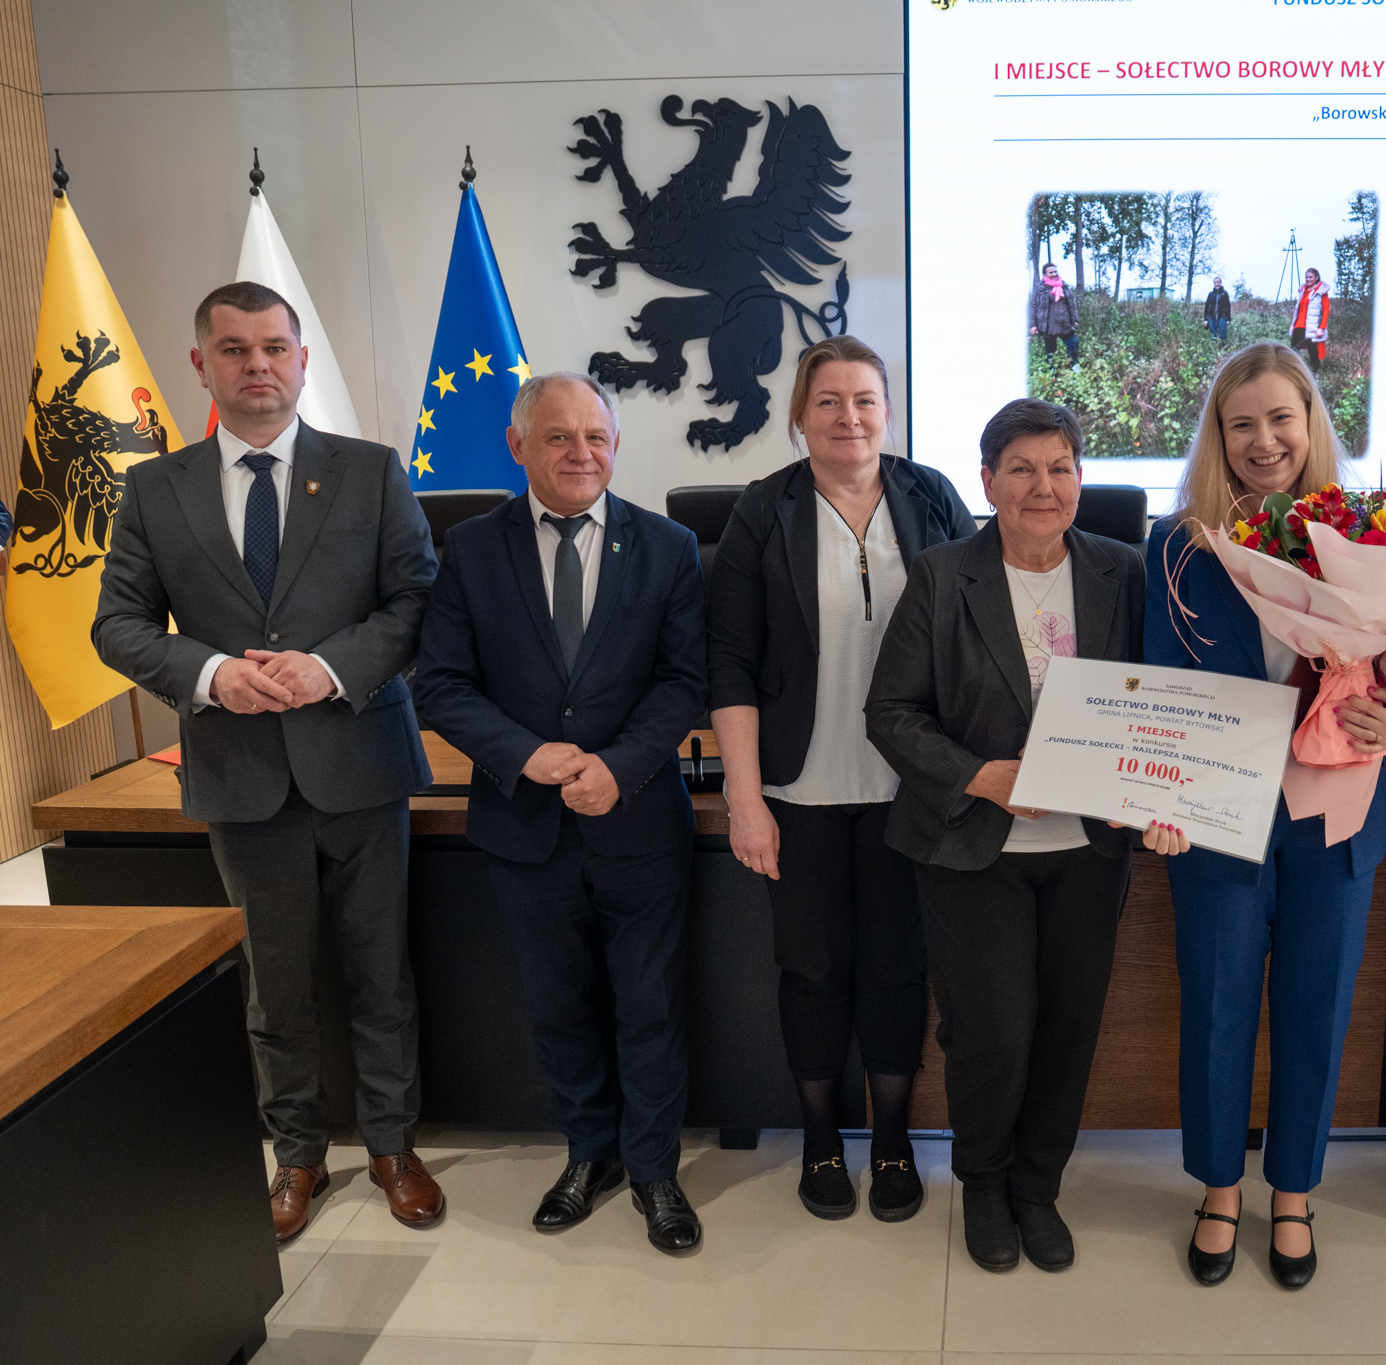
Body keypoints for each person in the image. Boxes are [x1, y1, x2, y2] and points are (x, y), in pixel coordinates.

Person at [92, 281, 443, 1245]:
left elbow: (417, 601)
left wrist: (330, 667)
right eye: (235, 349)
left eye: (274, 347)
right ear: (201, 364)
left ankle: (394, 1147)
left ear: (301, 359)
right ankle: (296, 1153)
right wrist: (209, 674)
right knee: (275, 983)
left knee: (381, 972)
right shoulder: (154, 489)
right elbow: (117, 625)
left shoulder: (371, 472)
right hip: (241, 774)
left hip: (360, 763)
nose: (258, 365)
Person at [866, 398, 1179, 1275]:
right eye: (1022, 469)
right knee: (992, 1032)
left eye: (1060, 468)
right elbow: (889, 712)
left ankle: (1038, 1187)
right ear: (988, 480)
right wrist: (983, 776)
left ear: (1081, 478)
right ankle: (985, 1181)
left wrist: (1159, 787)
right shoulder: (942, 575)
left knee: (1069, 1029)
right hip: (975, 847)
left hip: (1089, 850)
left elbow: (1159, 699)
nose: (1044, 487)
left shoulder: (1123, 569)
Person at [1147, 341, 1386, 1290]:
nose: (1264, 440)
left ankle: (1296, 1191)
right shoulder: (1179, 546)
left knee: (1317, 1006)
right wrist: (1160, 796)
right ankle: (1219, 1187)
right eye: (1242, 424)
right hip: (1217, 811)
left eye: (1282, 418)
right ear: (1218, 437)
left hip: (1335, 813)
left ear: (1311, 423)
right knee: (1218, 1004)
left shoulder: (1372, 535)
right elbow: (1161, 685)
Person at [413, 373, 709, 1254]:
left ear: (615, 446)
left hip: (639, 820)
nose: (581, 452)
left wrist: (618, 766)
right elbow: (441, 684)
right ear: (518, 446)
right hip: (524, 824)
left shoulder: (669, 546)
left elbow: (684, 681)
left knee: (650, 1004)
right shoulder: (470, 549)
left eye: (596, 436)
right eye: (558, 436)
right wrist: (526, 754)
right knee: (557, 1005)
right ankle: (590, 1153)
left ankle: (653, 1168)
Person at [707, 335, 977, 1223]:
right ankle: (822, 1140)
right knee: (813, 971)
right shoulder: (762, 510)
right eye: (828, 401)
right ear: (799, 415)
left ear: (888, 413)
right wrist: (745, 797)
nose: (848, 417)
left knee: (898, 969)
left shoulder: (930, 495)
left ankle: (892, 1138)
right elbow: (730, 662)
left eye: (865, 400)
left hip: (913, 789)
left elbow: (977, 630)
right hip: (799, 793)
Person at [1029, 263, 1080, 367]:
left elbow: (1071, 304)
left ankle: (1074, 366)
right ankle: (1051, 370)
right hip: (1048, 326)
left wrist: (1075, 319)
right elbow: (1033, 306)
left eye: (1055, 271)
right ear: (1045, 274)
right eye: (1051, 272)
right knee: (1051, 350)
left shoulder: (1064, 286)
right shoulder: (1039, 288)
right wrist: (1032, 325)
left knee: (1073, 344)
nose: (1054, 274)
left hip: (1065, 324)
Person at [1289, 268, 1331, 373]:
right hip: (1299, 326)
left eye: (1311, 277)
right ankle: (1293, 373)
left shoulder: (1322, 292)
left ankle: (1313, 375)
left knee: (1313, 353)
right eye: (1306, 277)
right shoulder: (1303, 291)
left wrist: (1321, 328)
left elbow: (1326, 312)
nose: (1308, 279)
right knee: (1293, 352)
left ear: (1316, 277)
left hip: (1312, 328)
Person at [1203, 275, 1233, 344]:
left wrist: (1228, 319)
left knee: (1222, 334)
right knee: (1213, 334)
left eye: (1218, 282)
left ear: (1220, 283)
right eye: (1215, 283)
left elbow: (1228, 306)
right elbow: (1207, 307)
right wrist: (1205, 319)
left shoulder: (1224, 294)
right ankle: (1214, 347)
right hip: (1212, 317)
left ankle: (1223, 347)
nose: (1217, 284)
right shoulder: (1211, 294)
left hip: (1222, 317)